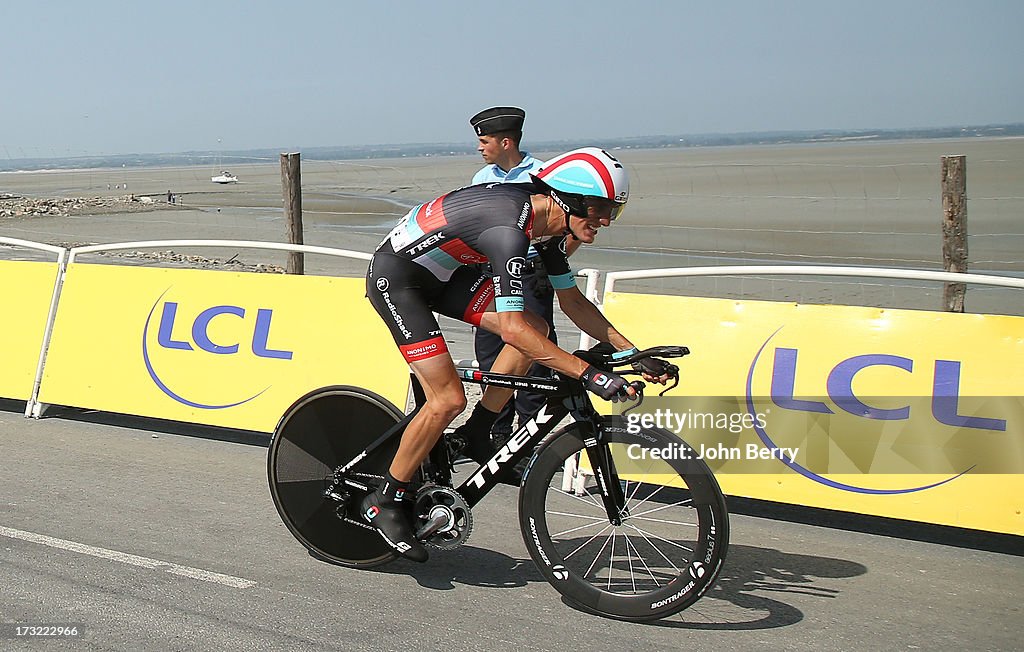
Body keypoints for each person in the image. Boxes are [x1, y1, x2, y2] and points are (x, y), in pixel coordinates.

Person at [363, 147, 673, 562]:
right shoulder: (508, 231)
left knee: (538, 328)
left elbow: (574, 304)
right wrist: (588, 374)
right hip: (398, 280)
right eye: (600, 210)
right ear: (568, 199)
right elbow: (511, 328)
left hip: (447, 276)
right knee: (447, 398)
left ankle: (478, 431)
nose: (604, 222)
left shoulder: (545, 230)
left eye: (612, 213)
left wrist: (632, 352)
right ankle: (386, 498)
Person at [468, 107, 556, 452]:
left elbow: (568, 226)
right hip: (491, 273)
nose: (479, 147)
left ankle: (528, 438)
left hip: (530, 273)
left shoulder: (543, 175)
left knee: (533, 351)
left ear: (506, 142)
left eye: (484, 140)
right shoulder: (480, 179)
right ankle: (494, 432)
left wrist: (549, 263)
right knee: (490, 353)